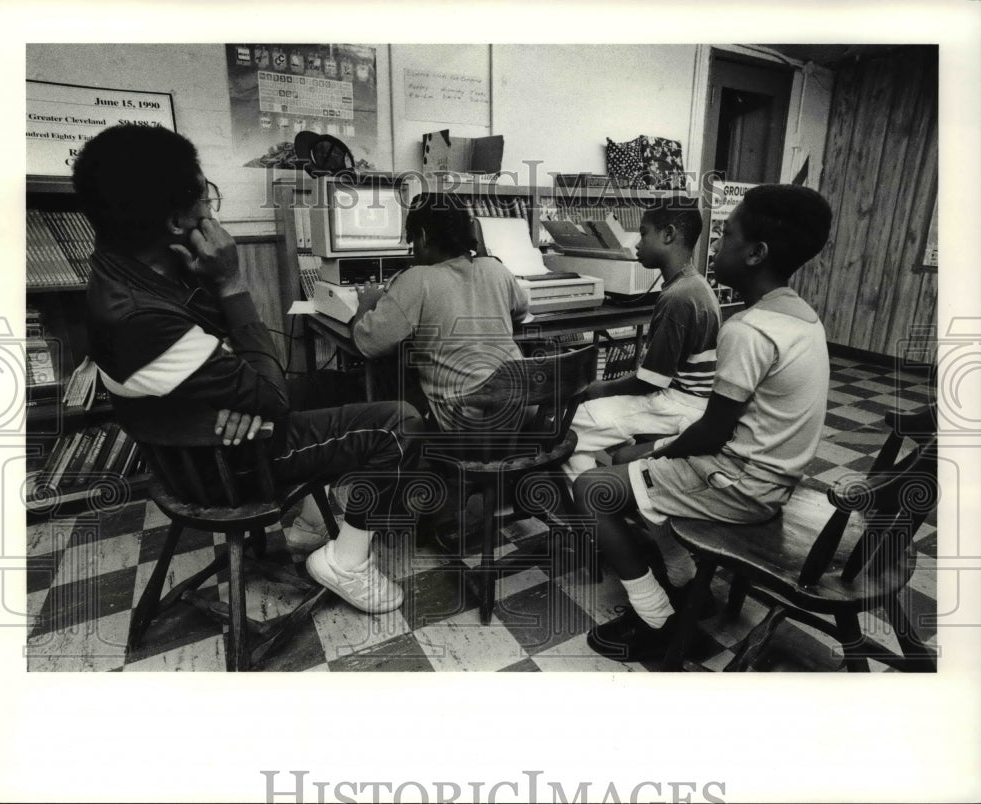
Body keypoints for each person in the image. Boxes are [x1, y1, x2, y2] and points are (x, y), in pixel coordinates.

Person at [77, 124, 422, 615]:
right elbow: (270, 395)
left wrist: (244, 394)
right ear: (177, 221)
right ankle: (346, 560)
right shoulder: (140, 314)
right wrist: (234, 282)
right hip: (225, 462)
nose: (210, 207)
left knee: (342, 381)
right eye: (206, 194)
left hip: (208, 429)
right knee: (400, 423)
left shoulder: (126, 269)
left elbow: (232, 365)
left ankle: (308, 515)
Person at [573, 184, 833, 662]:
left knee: (593, 488)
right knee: (633, 461)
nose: (715, 247)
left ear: (756, 253)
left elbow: (712, 433)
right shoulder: (803, 319)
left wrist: (658, 452)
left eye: (725, 236)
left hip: (743, 485)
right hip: (774, 477)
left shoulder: (749, 329)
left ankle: (659, 622)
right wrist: (653, 454)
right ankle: (685, 579)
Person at [561, 197, 719, 485]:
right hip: (693, 400)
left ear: (668, 234)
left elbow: (650, 381)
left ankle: (592, 510)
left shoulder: (678, 297)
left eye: (644, 233)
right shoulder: (694, 284)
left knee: (569, 424)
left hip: (680, 403)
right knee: (603, 415)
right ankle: (612, 486)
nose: (637, 243)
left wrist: (597, 388)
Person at [350, 192, 530, 432]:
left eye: (412, 241)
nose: (413, 250)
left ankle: (404, 452)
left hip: (463, 423)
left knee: (389, 375)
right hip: (518, 411)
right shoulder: (497, 270)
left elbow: (367, 343)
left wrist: (366, 303)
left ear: (422, 237)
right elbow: (520, 311)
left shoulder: (416, 279)